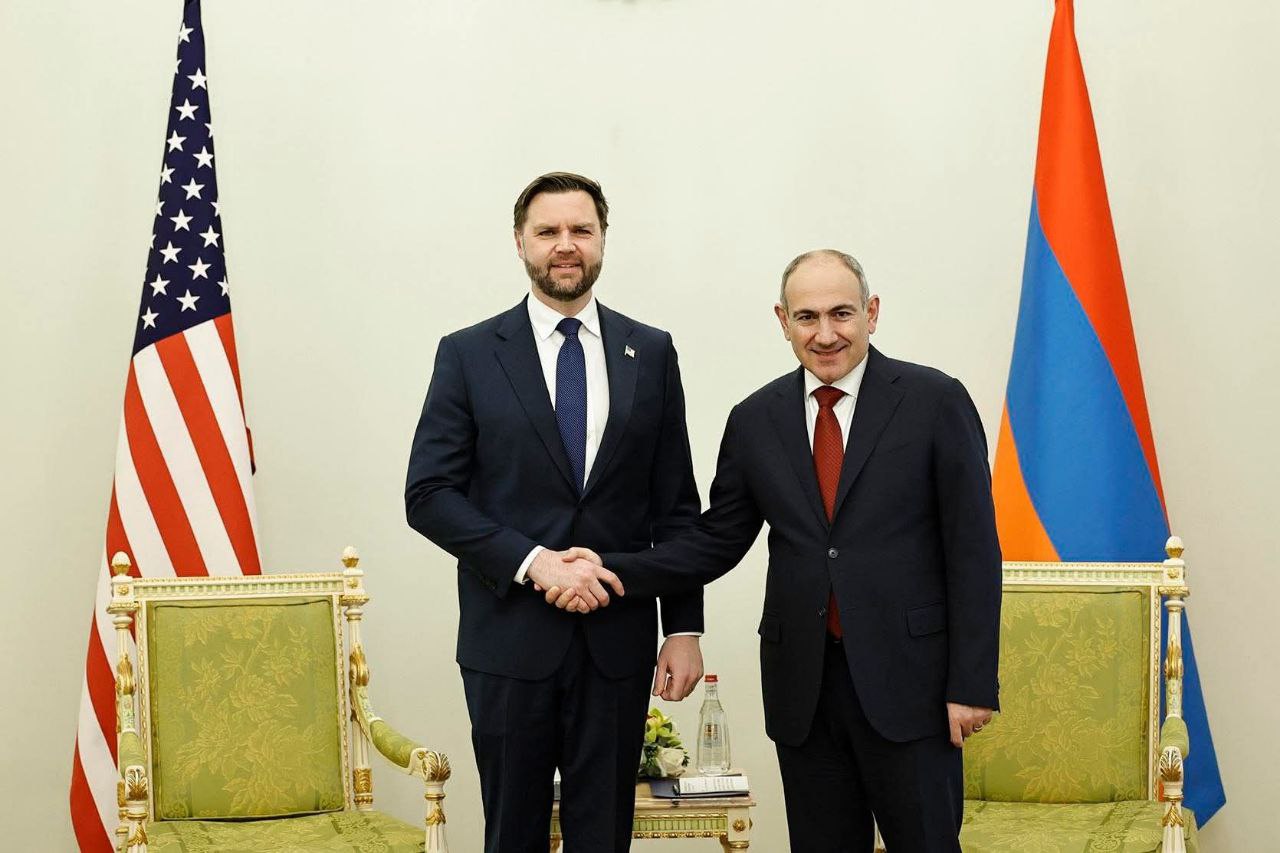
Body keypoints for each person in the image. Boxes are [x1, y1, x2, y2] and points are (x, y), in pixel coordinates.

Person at [548, 250, 1001, 852]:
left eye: (841, 314)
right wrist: (612, 569)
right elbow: (715, 541)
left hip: (912, 685)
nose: (825, 334)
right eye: (807, 317)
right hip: (804, 690)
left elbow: (974, 551)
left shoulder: (935, 401)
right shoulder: (755, 419)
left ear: (871, 312)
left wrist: (971, 683)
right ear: (783, 321)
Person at [404, 172, 707, 853]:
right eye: (548, 231)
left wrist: (684, 627)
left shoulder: (651, 351)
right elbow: (429, 494)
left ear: (602, 240)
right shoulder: (469, 354)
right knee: (513, 834)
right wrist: (535, 562)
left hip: (617, 643)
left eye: (581, 230)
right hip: (509, 642)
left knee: (605, 836)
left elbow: (676, 506)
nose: (565, 245)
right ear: (520, 243)